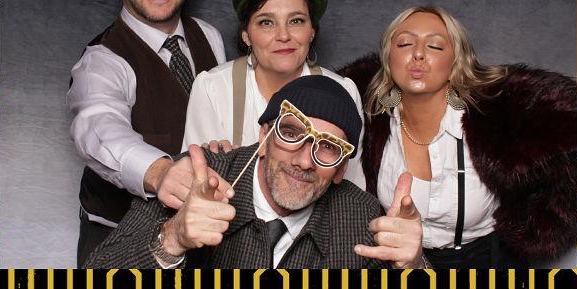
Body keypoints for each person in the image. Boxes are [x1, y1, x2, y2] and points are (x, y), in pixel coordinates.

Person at [85, 75, 423, 270]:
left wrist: (416, 266)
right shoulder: (193, 180)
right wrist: (171, 239)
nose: (305, 161)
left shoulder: (362, 217)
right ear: (264, 137)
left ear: (341, 169)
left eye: (328, 147)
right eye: (291, 133)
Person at [341, 6, 575, 269]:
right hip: (398, 262)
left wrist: (539, 228)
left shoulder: (489, 120)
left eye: (435, 46)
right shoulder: (371, 116)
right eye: (405, 43)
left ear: (456, 61)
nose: (418, 54)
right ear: (388, 58)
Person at [67, 0, 225, 266]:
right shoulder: (101, 60)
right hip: (119, 238)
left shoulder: (209, 36)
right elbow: (98, 127)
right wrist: (160, 172)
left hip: (204, 233)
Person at [183, 0, 366, 186]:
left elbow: (351, 186)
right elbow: (195, 181)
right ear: (246, 35)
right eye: (266, 23)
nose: (283, 36)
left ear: (312, 32)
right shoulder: (212, 87)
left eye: (296, 21)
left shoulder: (343, 91)